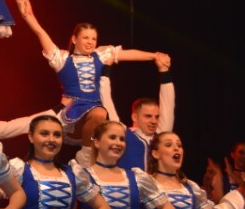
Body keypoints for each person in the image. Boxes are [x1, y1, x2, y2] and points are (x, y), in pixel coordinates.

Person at [20, 11, 164, 147]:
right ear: (74, 39)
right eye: (86, 38)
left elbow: (127, 54)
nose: (90, 42)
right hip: (72, 115)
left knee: (102, 116)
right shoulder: (62, 59)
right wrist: (28, 15)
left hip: (95, 116)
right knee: (23, 125)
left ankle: (87, 156)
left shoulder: (100, 55)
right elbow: (40, 33)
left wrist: (154, 56)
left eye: (93, 38)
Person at [96, 54, 174, 171]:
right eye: (148, 116)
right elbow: (106, 101)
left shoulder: (161, 137)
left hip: (156, 183)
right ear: (134, 117)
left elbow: (168, 102)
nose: (154, 121)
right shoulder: (123, 135)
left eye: (157, 117)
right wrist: (106, 68)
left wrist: (164, 69)